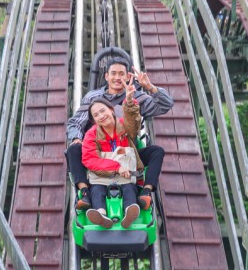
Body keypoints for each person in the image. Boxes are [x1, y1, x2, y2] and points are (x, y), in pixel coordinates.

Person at [66, 55, 171, 212]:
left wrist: (150, 87)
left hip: (128, 150)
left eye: (121, 74)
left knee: (157, 151)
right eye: (113, 73)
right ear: (106, 76)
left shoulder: (137, 96)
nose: (117, 78)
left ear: (128, 76)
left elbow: (166, 105)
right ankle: (84, 192)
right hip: (100, 150)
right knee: (73, 149)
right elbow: (75, 122)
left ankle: (146, 193)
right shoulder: (93, 97)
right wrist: (77, 138)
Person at [81, 82, 142, 229]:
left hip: (125, 176)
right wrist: (116, 167)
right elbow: (89, 159)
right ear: (93, 120)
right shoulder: (91, 134)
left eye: (103, 111)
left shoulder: (123, 126)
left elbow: (133, 123)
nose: (101, 116)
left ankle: (129, 212)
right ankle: (101, 215)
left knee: (129, 188)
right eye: (96, 115)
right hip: (103, 176)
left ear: (111, 109)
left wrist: (128, 101)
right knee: (97, 190)